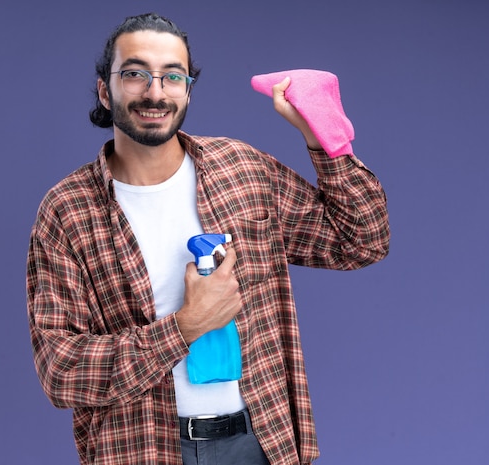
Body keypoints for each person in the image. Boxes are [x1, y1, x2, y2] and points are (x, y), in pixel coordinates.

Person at [26, 12, 390, 465]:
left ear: (187, 89)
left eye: (172, 76)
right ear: (106, 88)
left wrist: (327, 140)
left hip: (259, 443)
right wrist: (184, 327)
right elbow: (61, 371)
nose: (155, 92)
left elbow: (360, 239)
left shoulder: (242, 170)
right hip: (141, 450)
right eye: (135, 74)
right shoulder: (68, 212)